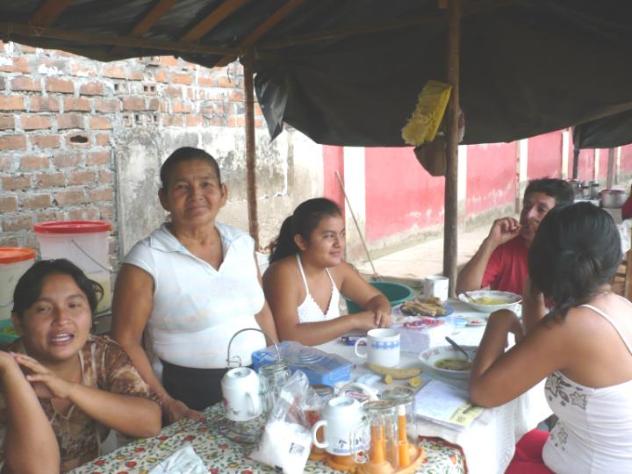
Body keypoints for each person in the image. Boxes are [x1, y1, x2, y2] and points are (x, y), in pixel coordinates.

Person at [112, 146, 278, 424]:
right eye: (182, 187)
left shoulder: (241, 244)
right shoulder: (147, 260)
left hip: (256, 380)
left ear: (223, 192)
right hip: (186, 393)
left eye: (206, 184)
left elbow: (260, 309)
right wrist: (165, 401)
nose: (196, 195)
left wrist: (277, 363)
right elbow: (125, 341)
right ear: (164, 198)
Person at [469, 202, 632, 473]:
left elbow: (483, 393)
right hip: (575, 454)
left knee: (471, 456)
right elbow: (538, 347)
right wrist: (533, 291)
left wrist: (500, 320)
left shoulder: (572, 326)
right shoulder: (618, 305)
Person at [0, 259, 161, 473]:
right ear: (18, 322)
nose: (62, 319)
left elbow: (150, 422)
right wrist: (12, 373)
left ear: (91, 315)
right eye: (43, 309)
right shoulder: (6, 369)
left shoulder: (102, 353)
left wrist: (69, 390)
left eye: (74, 305)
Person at [263, 197, 391, 346]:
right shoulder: (283, 274)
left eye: (342, 234)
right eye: (329, 236)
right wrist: (353, 321)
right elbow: (290, 336)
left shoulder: (337, 269)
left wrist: (381, 310)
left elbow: (375, 298)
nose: (339, 243)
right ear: (301, 242)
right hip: (295, 360)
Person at [456, 178, 574, 295]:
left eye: (541, 210)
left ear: (559, 218)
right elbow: (464, 291)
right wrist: (490, 242)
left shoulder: (570, 253)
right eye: (527, 206)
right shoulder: (506, 245)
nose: (529, 215)